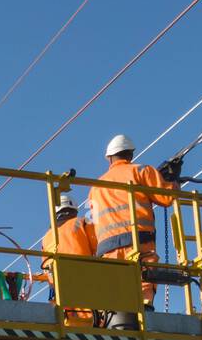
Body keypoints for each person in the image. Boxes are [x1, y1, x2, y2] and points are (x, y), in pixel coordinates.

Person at [87, 134, 181, 327]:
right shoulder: (141, 171)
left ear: (109, 158)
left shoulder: (95, 187)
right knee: (145, 273)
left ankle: (114, 315)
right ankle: (145, 308)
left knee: (115, 281)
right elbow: (166, 198)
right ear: (130, 154)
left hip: (106, 247)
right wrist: (173, 180)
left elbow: (92, 221)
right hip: (138, 239)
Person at [38, 194, 95, 326]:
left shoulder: (47, 236)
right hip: (84, 285)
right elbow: (99, 249)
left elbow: (45, 265)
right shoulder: (82, 222)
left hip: (59, 292)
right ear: (74, 210)